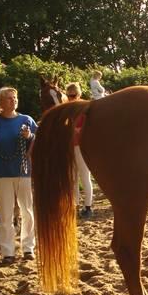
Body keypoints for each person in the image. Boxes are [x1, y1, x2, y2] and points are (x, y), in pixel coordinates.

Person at [0, 87, 37, 263]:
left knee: (27, 211)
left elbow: (37, 138)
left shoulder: (26, 120)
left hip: (23, 171)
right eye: (9, 98)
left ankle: (28, 247)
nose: (13, 100)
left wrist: (29, 136)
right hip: (1, 172)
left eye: (15, 98)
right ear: (1, 102)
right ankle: (8, 251)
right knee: (5, 214)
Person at [66, 83, 94, 219]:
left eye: (74, 95)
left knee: (84, 176)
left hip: (81, 146)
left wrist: (76, 130)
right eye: (69, 95)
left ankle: (88, 206)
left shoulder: (85, 107)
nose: (71, 98)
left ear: (79, 94)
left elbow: (85, 126)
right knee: (73, 178)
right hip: (70, 146)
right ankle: (75, 205)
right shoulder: (67, 108)